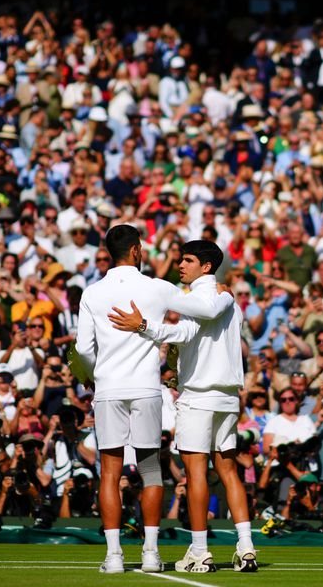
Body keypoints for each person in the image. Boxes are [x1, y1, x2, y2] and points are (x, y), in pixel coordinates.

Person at [74, 225, 231, 574]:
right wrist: (223, 294)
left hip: (108, 388)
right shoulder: (157, 287)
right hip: (145, 389)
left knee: (110, 472)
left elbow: (83, 349)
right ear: (135, 250)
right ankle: (149, 552)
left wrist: (90, 374)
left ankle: (114, 556)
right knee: (150, 472)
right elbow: (205, 311)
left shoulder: (91, 293)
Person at [108, 240, 257, 572]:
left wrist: (142, 326)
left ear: (206, 266)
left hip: (200, 397)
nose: (180, 265)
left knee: (196, 472)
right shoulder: (227, 300)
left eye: (187, 260)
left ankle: (200, 550)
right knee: (229, 471)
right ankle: (246, 547)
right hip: (228, 397)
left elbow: (181, 335)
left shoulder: (202, 299)